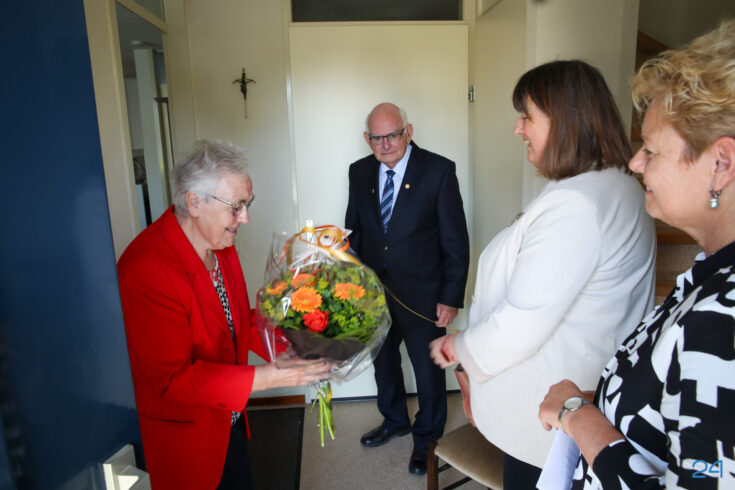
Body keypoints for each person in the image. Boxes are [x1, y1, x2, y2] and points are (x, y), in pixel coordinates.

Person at [429, 60, 657, 489]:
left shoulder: (578, 204)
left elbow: (524, 320)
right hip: (575, 399)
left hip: (549, 417)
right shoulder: (612, 186)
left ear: (565, 120)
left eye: (527, 116)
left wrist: (458, 347)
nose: (518, 129)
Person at [539, 20, 735, 489]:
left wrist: (576, 415)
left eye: (651, 149)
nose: (635, 162)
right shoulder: (706, 274)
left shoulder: (722, 319)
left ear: (720, 165)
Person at [117, 140, 331, 490]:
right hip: (188, 441)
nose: (245, 218)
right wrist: (269, 378)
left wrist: (304, 348)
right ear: (194, 202)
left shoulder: (221, 247)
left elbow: (237, 323)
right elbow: (172, 380)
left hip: (229, 421)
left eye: (247, 204)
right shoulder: (147, 268)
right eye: (236, 206)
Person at [345, 102, 470, 475]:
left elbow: (455, 240)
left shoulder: (438, 171)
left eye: (393, 135)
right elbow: (354, 230)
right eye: (377, 138)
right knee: (383, 363)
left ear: (408, 131)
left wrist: (450, 297)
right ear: (367, 138)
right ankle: (395, 419)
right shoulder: (359, 171)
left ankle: (427, 439)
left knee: (428, 371)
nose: (385, 145)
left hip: (423, 296)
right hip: (374, 294)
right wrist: (349, 284)